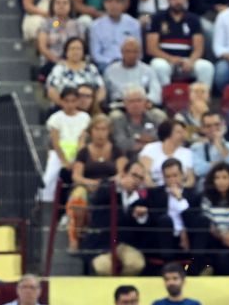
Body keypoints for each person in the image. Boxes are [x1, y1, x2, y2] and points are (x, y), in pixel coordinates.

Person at [66, 113, 126, 250]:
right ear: (91, 131)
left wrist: (103, 184)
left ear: (109, 131)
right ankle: (76, 237)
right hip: (87, 187)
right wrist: (90, 183)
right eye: (97, 129)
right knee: (77, 197)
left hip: (109, 189)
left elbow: (121, 174)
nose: (100, 133)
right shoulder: (83, 152)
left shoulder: (117, 151)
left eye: (103, 129)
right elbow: (76, 176)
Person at [145, 0, 214, 89]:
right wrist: (171, 59)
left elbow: (199, 48)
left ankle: (201, 100)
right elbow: (151, 48)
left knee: (206, 67)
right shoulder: (157, 18)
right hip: (166, 60)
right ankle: (167, 98)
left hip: (187, 61)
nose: (178, 1)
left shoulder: (193, 19)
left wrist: (190, 61)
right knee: (158, 66)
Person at [41, 85, 91, 200]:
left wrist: (77, 159)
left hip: (78, 152)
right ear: (61, 101)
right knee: (49, 178)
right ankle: (45, 202)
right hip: (59, 153)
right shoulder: (55, 118)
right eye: (67, 101)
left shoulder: (84, 117)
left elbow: (82, 140)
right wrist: (64, 161)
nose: (70, 104)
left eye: (73, 101)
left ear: (78, 101)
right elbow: (55, 142)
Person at [35, 0, 90, 78]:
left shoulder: (77, 24)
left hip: (74, 62)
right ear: (52, 5)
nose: (61, 5)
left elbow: (82, 46)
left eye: (65, 3)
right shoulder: (48, 23)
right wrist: (58, 61)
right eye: (58, 3)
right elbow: (43, 47)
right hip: (53, 62)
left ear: (70, 6)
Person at [46, 37, 107, 108]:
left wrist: (93, 105)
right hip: (65, 109)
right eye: (72, 49)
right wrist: (67, 106)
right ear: (66, 52)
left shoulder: (91, 68)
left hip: (89, 108)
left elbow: (101, 89)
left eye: (79, 49)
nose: (75, 52)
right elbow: (51, 90)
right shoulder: (59, 69)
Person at [109, 85, 167, 160]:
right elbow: (122, 144)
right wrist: (146, 140)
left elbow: (160, 140)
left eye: (139, 100)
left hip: (155, 157)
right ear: (125, 103)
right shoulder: (118, 121)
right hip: (129, 158)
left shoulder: (155, 118)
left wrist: (135, 138)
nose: (135, 104)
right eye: (131, 101)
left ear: (145, 102)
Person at [90, 0, 142, 71]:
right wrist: (112, 62)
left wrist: (126, 62)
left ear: (124, 4)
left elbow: (139, 52)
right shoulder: (96, 26)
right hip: (106, 64)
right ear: (104, 3)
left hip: (130, 63)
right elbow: (95, 54)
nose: (113, 4)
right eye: (110, 1)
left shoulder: (134, 24)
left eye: (118, 1)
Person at [104, 38, 162, 107]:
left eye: (135, 52)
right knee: (115, 116)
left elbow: (156, 92)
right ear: (122, 52)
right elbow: (104, 94)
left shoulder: (148, 70)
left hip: (143, 106)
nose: (131, 55)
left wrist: (148, 101)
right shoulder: (110, 71)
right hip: (119, 106)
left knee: (159, 115)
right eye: (128, 51)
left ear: (140, 53)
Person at [139, 116, 194, 186]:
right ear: (168, 133)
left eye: (183, 132)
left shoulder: (187, 153)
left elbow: (190, 180)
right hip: (154, 190)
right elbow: (146, 175)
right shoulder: (150, 148)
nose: (183, 135)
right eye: (179, 132)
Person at [191, 110, 229, 182]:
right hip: (205, 189)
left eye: (217, 124)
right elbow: (198, 170)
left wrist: (220, 145)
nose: (213, 129)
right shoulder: (196, 147)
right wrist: (221, 164)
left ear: (223, 125)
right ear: (202, 129)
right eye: (208, 126)